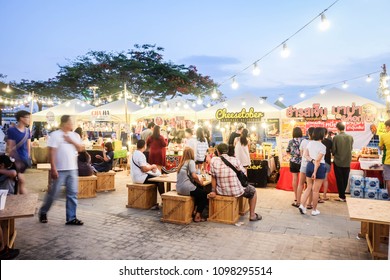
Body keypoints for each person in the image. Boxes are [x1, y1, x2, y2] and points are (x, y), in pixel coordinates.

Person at [39, 115, 84, 225]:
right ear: (65, 123)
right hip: (60, 169)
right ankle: (43, 211)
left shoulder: (75, 135)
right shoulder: (55, 135)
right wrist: (53, 168)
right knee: (54, 193)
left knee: (72, 193)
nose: (72, 124)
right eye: (71, 122)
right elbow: (52, 153)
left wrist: (71, 141)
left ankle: (71, 218)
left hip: (73, 168)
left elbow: (81, 148)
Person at [208, 143, 262, 222]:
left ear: (218, 152)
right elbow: (244, 173)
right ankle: (252, 215)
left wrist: (213, 191)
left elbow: (213, 177)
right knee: (253, 191)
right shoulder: (235, 160)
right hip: (236, 191)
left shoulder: (213, 160)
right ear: (228, 151)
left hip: (221, 191)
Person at [298, 127, 326, 216]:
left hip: (309, 165)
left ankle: (302, 205)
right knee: (315, 190)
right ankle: (314, 210)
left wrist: (312, 161)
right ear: (322, 135)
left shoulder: (310, 144)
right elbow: (318, 161)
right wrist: (315, 171)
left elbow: (305, 155)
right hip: (319, 167)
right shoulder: (323, 147)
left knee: (308, 187)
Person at [176, 147, 208, 222]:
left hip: (179, 188)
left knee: (199, 191)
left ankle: (194, 210)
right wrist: (200, 182)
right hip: (186, 188)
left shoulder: (181, 163)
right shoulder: (191, 162)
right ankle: (197, 216)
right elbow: (194, 176)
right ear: (192, 154)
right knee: (204, 194)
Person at [6, 110, 32, 194]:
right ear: (21, 118)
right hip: (15, 161)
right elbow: (10, 148)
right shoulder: (12, 130)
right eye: (27, 117)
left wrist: (28, 158)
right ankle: (23, 202)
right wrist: (14, 161)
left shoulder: (28, 131)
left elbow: (28, 146)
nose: (29, 119)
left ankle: (20, 201)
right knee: (20, 181)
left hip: (24, 160)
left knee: (20, 182)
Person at [332, 122, 354, 202]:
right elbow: (351, 148)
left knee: (339, 179)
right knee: (345, 178)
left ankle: (342, 196)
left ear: (337, 128)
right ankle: (342, 195)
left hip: (338, 161)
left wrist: (334, 153)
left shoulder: (336, 137)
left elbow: (333, 150)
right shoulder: (350, 137)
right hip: (347, 161)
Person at [296, 127, 315, 208]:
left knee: (300, 184)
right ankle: (309, 204)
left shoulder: (304, 141)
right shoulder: (316, 143)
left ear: (308, 133)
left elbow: (301, 154)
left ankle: (298, 202)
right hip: (312, 165)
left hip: (304, 165)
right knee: (310, 185)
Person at [286, 127, 303, 207]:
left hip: (293, 161)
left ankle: (296, 197)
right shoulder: (304, 141)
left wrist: (293, 156)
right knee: (304, 180)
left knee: (295, 178)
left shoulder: (291, 141)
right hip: (303, 162)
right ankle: (303, 197)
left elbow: (287, 151)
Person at [320, 128, 333, 201]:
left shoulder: (317, 141)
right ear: (326, 134)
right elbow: (332, 151)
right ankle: (324, 196)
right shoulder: (329, 141)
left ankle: (317, 195)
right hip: (327, 161)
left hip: (319, 162)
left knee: (317, 179)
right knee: (325, 179)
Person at [379, 119, 390, 196]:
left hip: (387, 160)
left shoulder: (383, 136)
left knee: (388, 180)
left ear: (388, 127)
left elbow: (381, 147)